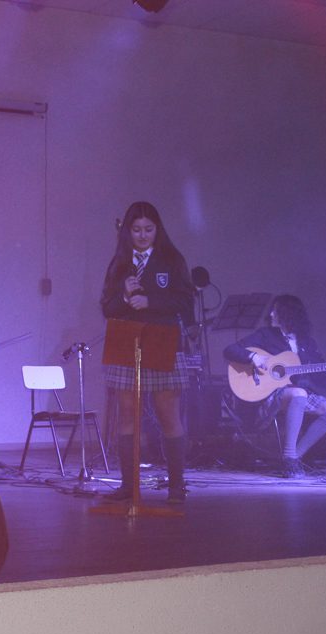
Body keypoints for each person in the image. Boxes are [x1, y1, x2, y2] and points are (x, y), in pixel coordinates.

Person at [100, 201, 195, 504]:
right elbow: (106, 307)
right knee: (127, 414)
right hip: (126, 342)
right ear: (128, 231)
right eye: (137, 230)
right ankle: (128, 486)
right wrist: (124, 296)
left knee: (168, 414)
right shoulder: (119, 263)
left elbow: (185, 302)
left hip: (163, 340)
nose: (142, 235)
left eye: (148, 230)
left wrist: (150, 301)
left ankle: (176, 486)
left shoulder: (172, 259)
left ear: (158, 230)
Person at [223, 294, 326, 478]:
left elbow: (320, 378)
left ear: (288, 314)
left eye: (275, 311)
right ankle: (289, 456)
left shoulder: (307, 343)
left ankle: (293, 458)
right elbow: (230, 350)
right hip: (269, 397)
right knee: (299, 393)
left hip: (297, 395)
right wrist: (253, 357)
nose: (270, 314)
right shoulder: (266, 335)